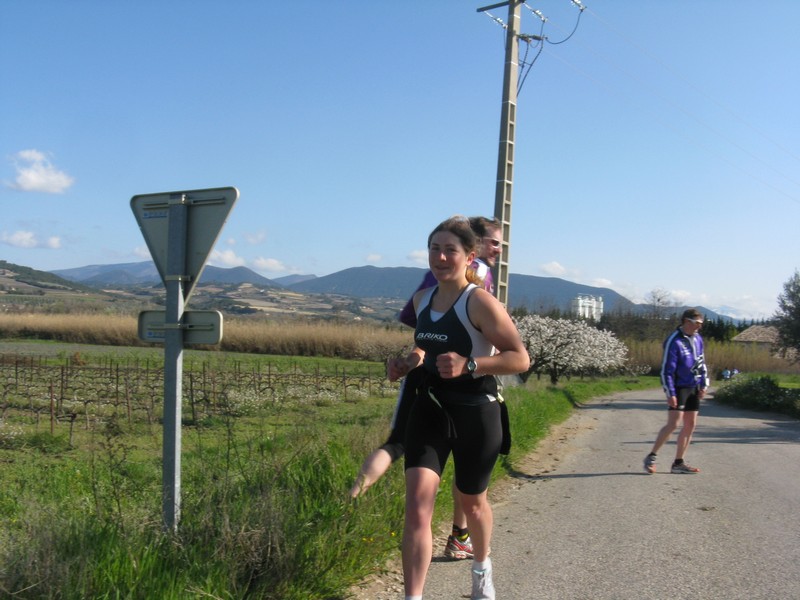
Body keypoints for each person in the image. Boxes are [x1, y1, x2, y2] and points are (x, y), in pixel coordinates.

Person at [387, 216, 529, 600]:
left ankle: (481, 567)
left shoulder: (480, 302)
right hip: (430, 408)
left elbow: (520, 359)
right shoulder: (422, 300)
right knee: (417, 507)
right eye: (434, 249)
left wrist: (470, 365)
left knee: (473, 502)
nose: (440, 257)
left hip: (476, 413)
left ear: (469, 257)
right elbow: (425, 347)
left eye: (450, 250)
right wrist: (407, 363)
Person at [350, 217, 503, 561]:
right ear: (476, 246)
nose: (498, 248)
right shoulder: (472, 274)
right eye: (494, 242)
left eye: (447, 249)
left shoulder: (449, 280)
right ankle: (458, 537)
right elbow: (435, 332)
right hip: (440, 389)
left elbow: (438, 332)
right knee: (423, 474)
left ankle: (350, 499)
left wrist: (417, 360)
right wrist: (417, 360)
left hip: (456, 389)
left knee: (401, 446)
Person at [644, 308, 709, 475]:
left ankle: (678, 463)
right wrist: (670, 392)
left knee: (690, 424)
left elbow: (701, 362)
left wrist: (703, 384)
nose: (699, 327)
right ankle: (651, 457)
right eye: (697, 323)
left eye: (701, 323)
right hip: (679, 387)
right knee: (674, 424)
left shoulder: (698, 339)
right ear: (686, 321)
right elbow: (666, 370)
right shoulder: (674, 340)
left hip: (693, 386)